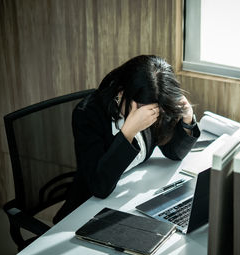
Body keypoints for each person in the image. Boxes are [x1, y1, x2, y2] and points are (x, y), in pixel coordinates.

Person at [54, 55, 200, 223]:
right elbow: (99, 187)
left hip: (128, 201)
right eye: (143, 108)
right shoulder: (87, 114)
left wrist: (187, 121)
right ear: (122, 91)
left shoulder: (153, 99)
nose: (150, 115)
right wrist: (128, 132)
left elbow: (173, 152)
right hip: (87, 210)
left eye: (155, 109)